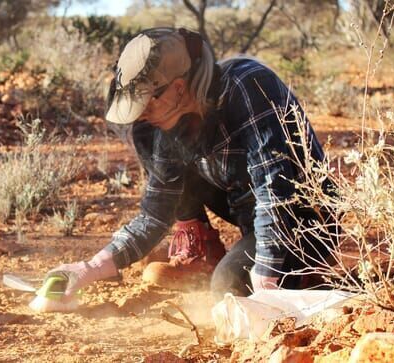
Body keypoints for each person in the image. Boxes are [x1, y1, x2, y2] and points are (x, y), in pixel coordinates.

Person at [46, 27, 338, 300]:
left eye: (147, 103)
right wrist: (90, 268)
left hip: (304, 217)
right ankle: (203, 250)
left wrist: (265, 278)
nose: (142, 114)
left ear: (179, 87)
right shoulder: (168, 121)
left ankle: (306, 274)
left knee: (229, 285)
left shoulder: (248, 87)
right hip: (250, 212)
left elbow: (275, 193)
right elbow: (155, 215)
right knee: (157, 140)